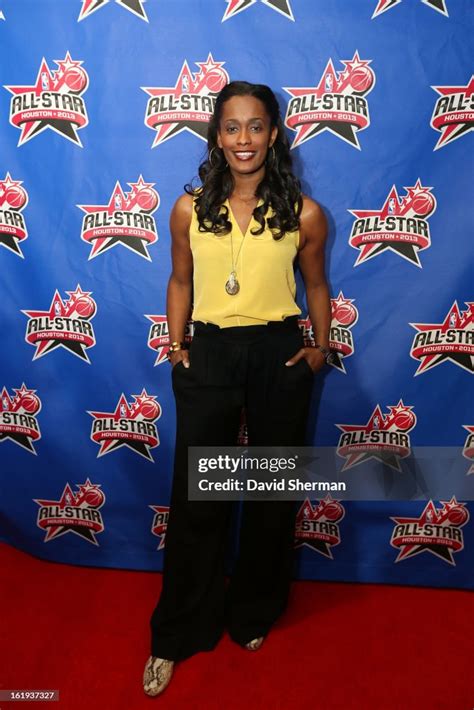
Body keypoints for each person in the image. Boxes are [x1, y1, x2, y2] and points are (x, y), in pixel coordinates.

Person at [143, 80, 331, 697]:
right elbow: (178, 281)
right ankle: (178, 632)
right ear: (216, 136)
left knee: (272, 492)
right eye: (231, 126)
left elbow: (317, 285)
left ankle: (252, 611)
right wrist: (178, 348)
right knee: (200, 498)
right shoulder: (187, 207)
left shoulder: (303, 212)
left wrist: (318, 347)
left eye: (256, 126)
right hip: (211, 351)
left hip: (279, 352)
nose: (243, 138)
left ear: (273, 135)